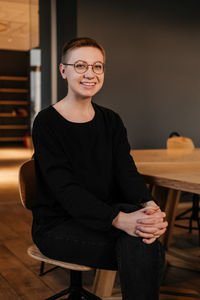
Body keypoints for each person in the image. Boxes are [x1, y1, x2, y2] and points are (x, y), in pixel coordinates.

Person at [31, 37, 168, 300]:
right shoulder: (47, 122)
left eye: (97, 66)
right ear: (63, 70)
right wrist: (119, 220)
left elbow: (126, 173)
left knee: (141, 229)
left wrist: (149, 205)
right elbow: (66, 190)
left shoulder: (111, 120)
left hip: (103, 215)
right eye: (80, 65)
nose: (90, 74)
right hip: (58, 225)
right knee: (144, 243)